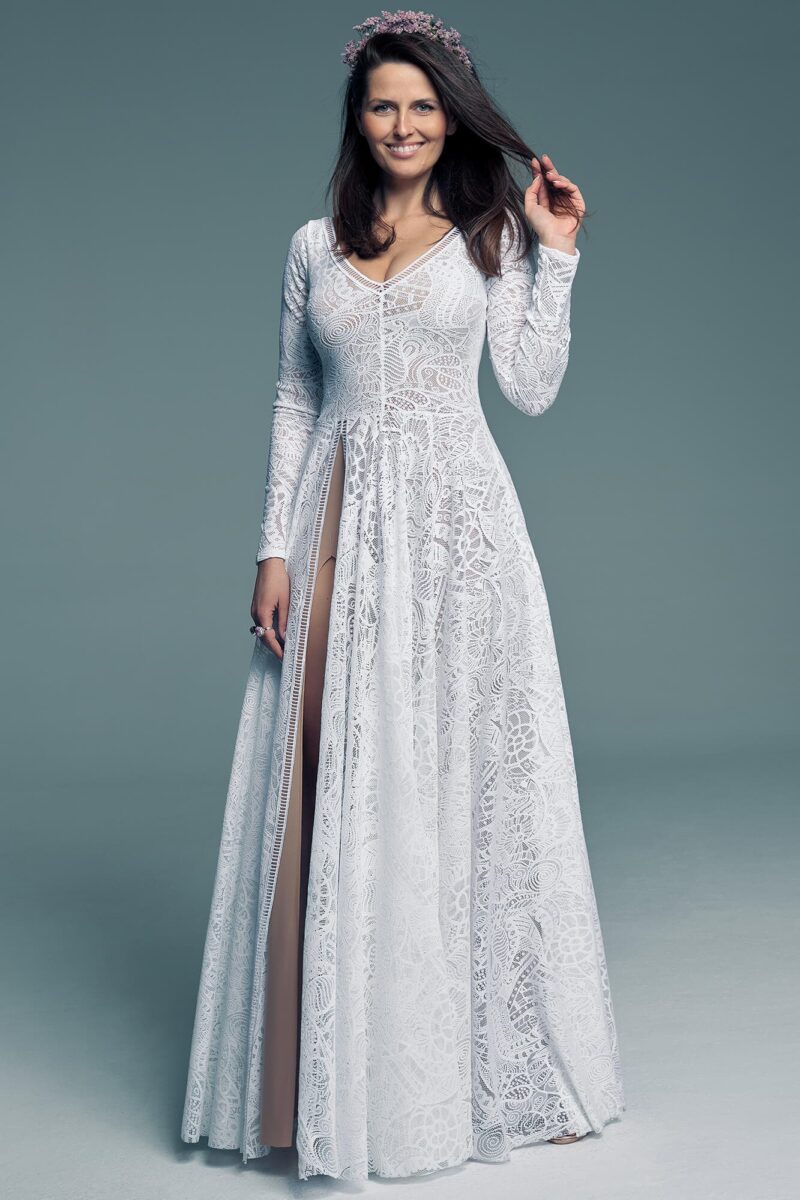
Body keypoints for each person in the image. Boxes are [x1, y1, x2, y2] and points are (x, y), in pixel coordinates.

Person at [180, 9, 625, 1182]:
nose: (403, 124)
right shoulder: (310, 246)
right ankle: (332, 1085)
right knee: (341, 780)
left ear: (451, 118)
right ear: (358, 117)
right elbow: (293, 398)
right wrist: (271, 550)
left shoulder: (491, 235)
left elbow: (529, 387)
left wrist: (556, 254)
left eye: (423, 106)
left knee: (464, 784)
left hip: (459, 544)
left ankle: (498, 1076)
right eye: (383, 105)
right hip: (335, 529)